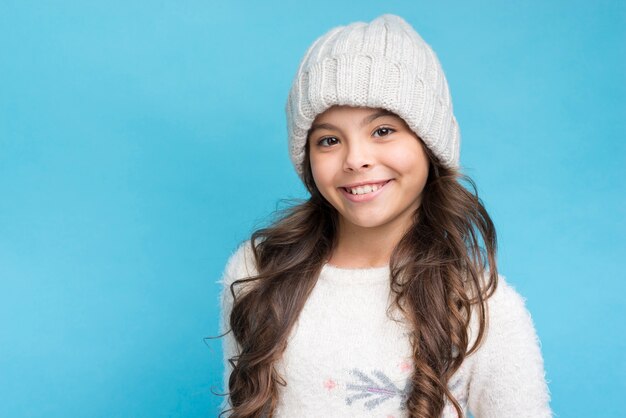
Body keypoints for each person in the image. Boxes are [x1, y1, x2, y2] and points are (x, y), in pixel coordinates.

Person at [216, 14, 552, 418]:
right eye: (329, 140)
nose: (356, 159)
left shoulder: (483, 308)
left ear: (429, 144)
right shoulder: (258, 274)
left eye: (383, 131)